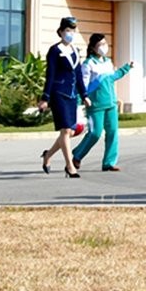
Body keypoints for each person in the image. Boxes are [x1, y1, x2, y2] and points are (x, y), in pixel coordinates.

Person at [71, 33, 133, 172]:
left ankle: (109, 162)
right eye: (100, 45)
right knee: (95, 133)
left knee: (112, 132)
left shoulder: (107, 62)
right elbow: (83, 84)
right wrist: (80, 100)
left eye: (105, 44)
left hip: (111, 103)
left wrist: (126, 68)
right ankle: (77, 155)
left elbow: (113, 77)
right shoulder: (88, 64)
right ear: (93, 48)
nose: (104, 47)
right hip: (95, 105)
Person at [39, 16, 91, 178]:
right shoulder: (55, 50)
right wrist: (45, 97)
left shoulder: (75, 50)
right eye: (67, 30)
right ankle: (69, 166)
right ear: (61, 32)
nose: (70, 33)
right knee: (66, 129)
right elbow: (50, 74)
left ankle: (48, 155)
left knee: (68, 132)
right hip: (58, 94)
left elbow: (79, 75)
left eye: (73, 30)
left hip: (71, 95)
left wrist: (84, 95)